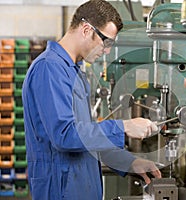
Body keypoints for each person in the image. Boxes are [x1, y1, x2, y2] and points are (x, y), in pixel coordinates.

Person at [22, 1, 161, 199]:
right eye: (106, 42)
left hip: (82, 188)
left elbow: (87, 140)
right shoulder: (49, 68)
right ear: (87, 29)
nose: (106, 51)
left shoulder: (75, 73)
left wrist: (129, 162)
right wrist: (123, 127)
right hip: (61, 190)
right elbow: (65, 135)